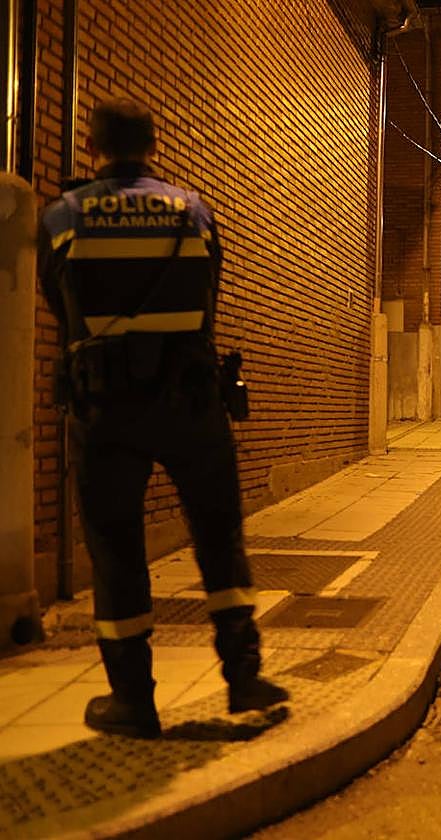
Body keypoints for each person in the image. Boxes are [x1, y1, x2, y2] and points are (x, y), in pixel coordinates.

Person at [38, 99, 289, 739]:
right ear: (153, 146)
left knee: (116, 547)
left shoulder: (65, 215)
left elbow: (59, 307)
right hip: (190, 399)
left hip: (105, 406)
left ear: (93, 147)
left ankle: (134, 702)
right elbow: (208, 298)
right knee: (217, 536)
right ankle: (243, 677)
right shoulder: (193, 210)